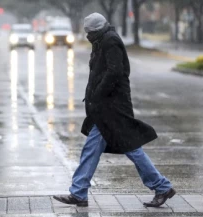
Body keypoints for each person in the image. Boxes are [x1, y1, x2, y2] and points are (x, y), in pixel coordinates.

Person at [53, 13, 175, 208]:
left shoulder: (110, 41)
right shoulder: (102, 41)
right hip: (105, 108)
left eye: (90, 32)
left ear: (97, 30)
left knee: (125, 148)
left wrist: (98, 94)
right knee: (106, 149)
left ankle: (161, 186)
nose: (87, 36)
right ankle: (79, 192)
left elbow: (115, 72)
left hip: (112, 108)